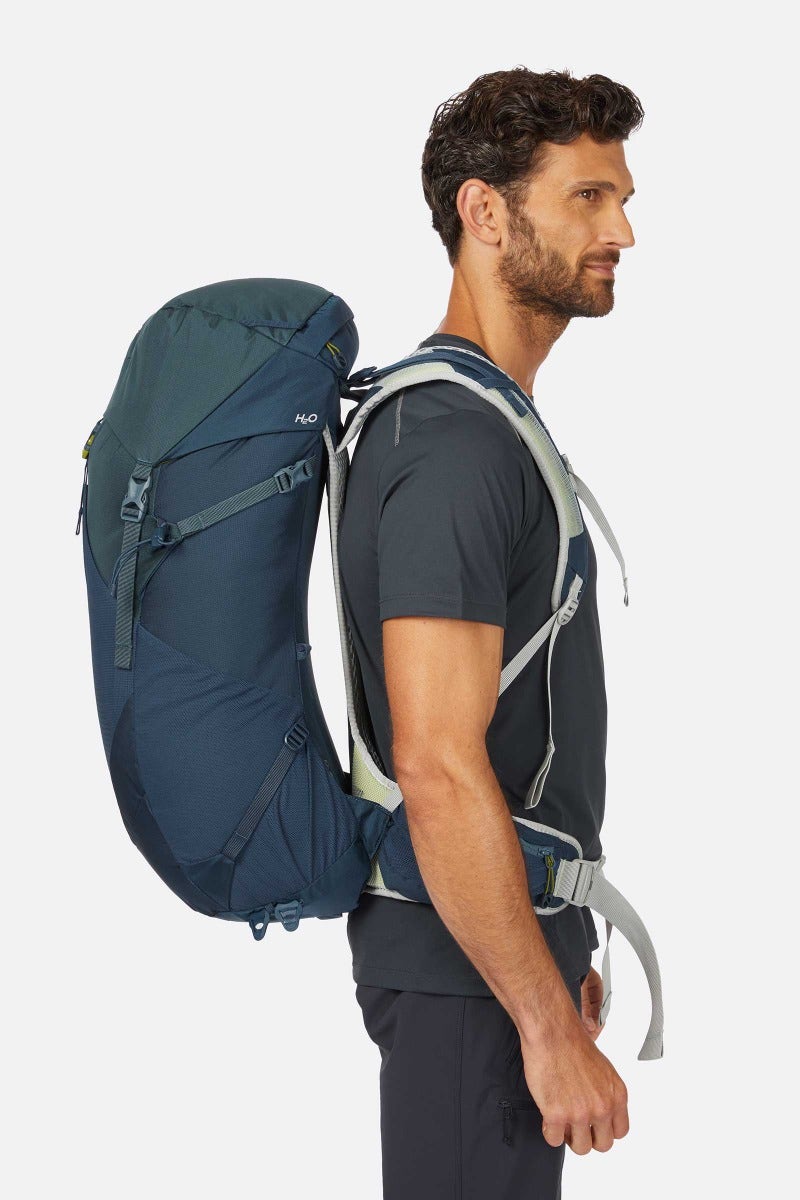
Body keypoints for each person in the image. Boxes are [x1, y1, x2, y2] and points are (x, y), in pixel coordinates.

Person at [338, 66, 643, 1198]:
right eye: (587, 197)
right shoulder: (453, 445)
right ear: (484, 212)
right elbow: (433, 761)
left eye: (622, 199)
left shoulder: (484, 426)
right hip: (464, 980)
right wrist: (539, 1020)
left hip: (487, 963)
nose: (621, 231)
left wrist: (553, 953)